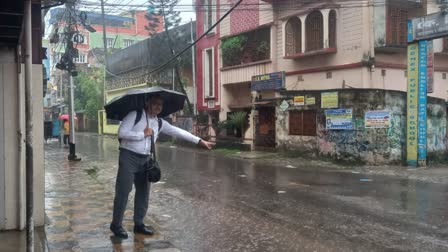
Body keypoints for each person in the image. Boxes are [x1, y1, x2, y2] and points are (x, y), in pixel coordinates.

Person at [110, 95, 215, 239]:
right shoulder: (135, 114)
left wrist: (199, 141)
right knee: (123, 191)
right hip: (128, 157)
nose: (158, 107)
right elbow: (121, 133)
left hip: (146, 160)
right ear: (147, 102)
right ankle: (116, 225)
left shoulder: (160, 123)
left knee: (143, 193)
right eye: (155, 103)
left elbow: (178, 131)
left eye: (160, 104)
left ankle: (139, 224)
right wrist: (142, 134)